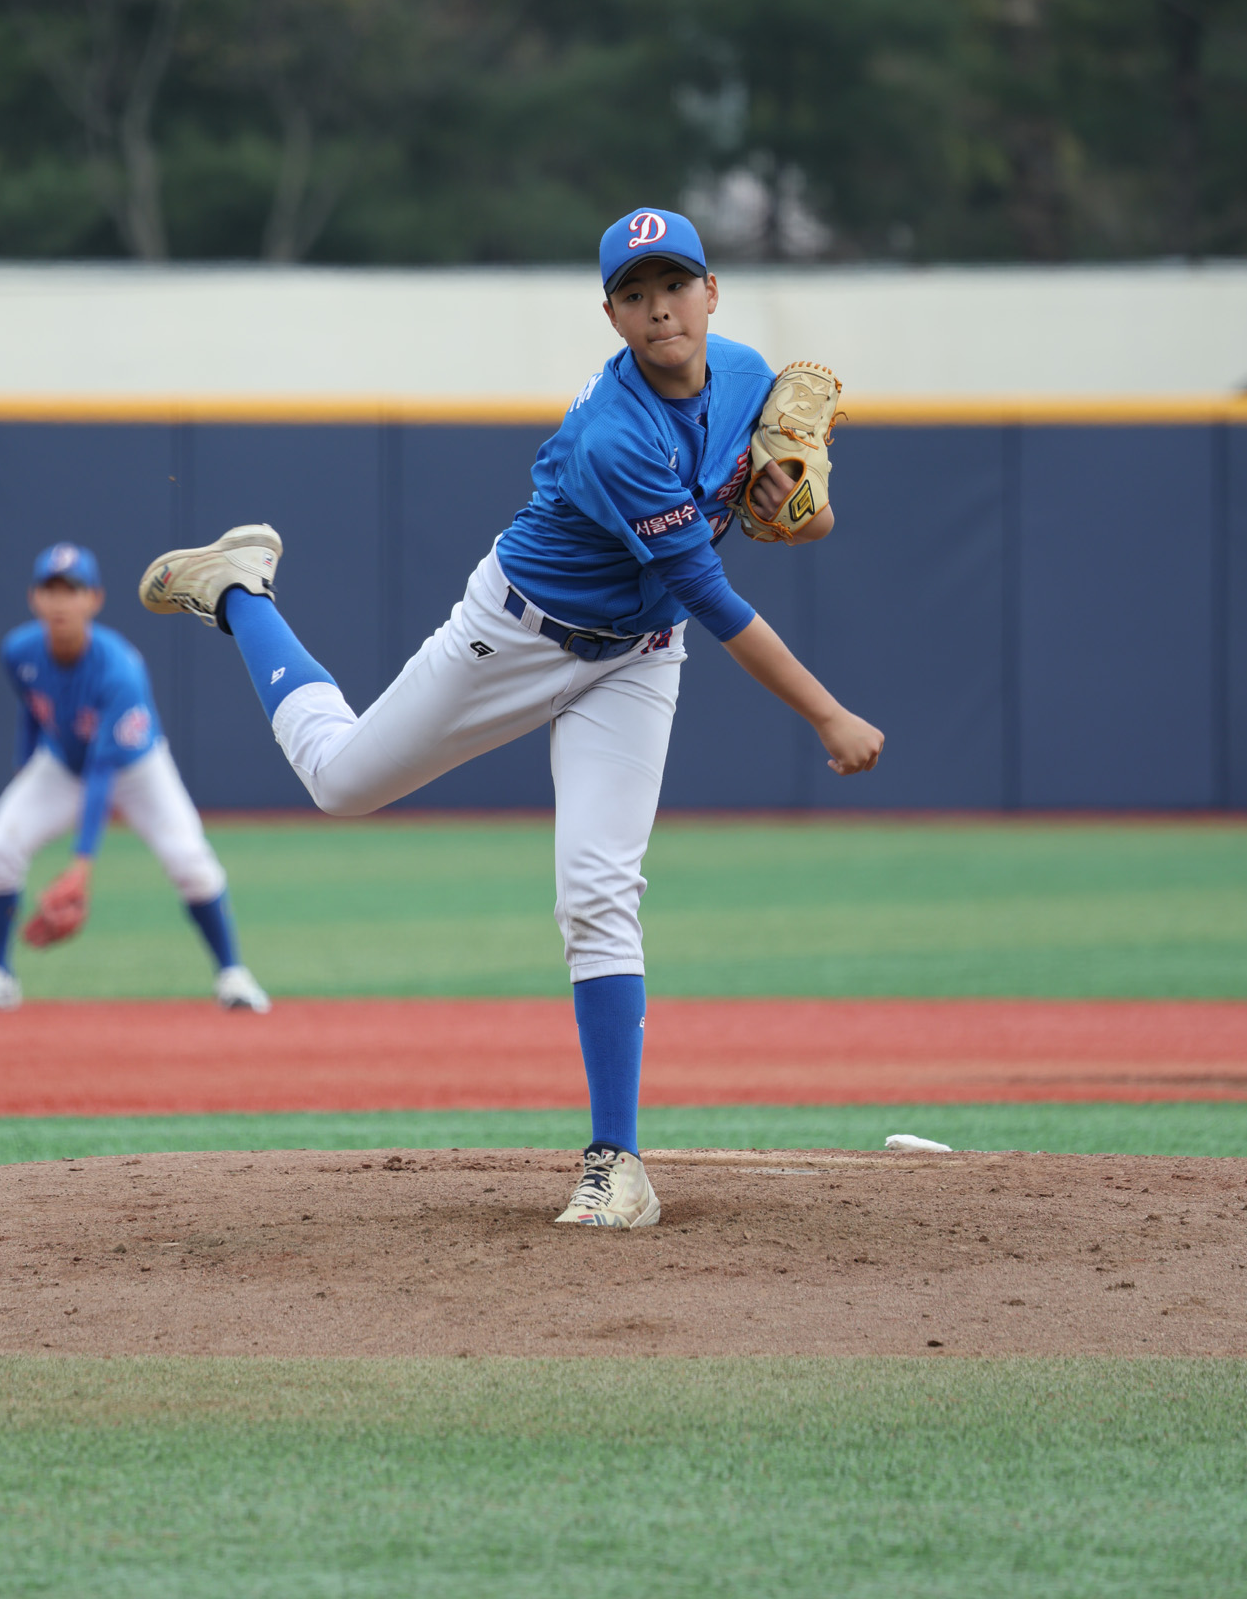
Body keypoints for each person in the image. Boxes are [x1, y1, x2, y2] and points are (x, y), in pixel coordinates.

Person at [138, 208, 882, 1226]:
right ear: (612, 315)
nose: (660, 306)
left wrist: (796, 498)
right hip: (515, 634)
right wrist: (828, 714)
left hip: (636, 658)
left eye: (676, 283)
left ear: (711, 292)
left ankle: (616, 1162)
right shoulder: (616, 434)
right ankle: (238, 590)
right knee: (341, 783)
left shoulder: (748, 376)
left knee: (599, 891)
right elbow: (714, 598)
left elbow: (801, 519)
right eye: (635, 292)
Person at [0, 541, 270, 1015]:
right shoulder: (18, 651)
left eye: (73, 589)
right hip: (60, 763)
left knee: (190, 861)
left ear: (94, 599)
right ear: (34, 598)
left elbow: (103, 772)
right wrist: (23, 774)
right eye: (51, 589)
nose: (61, 601)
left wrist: (81, 866)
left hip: (138, 769)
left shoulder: (119, 671)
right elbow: (33, 710)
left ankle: (233, 975)